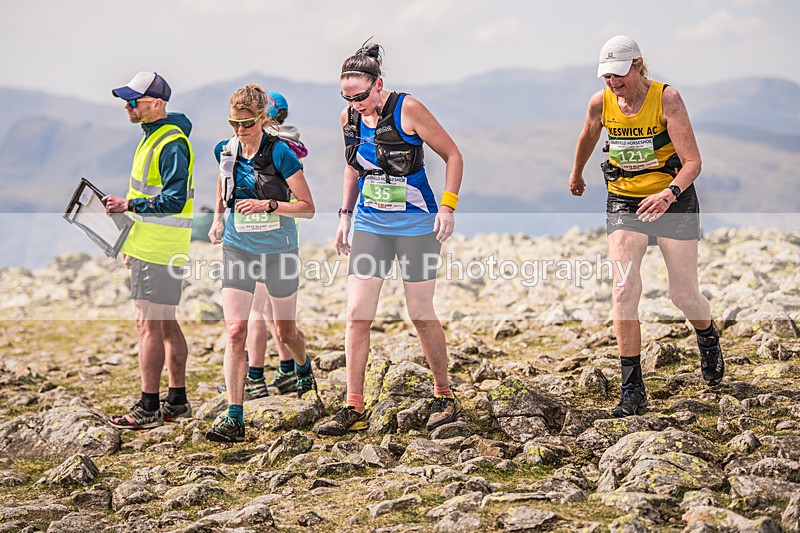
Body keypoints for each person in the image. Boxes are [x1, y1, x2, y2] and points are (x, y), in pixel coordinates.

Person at [568, 35, 724, 417]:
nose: (613, 82)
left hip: (672, 201)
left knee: (683, 295)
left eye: (619, 74)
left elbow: (693, 162)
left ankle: (707, 336)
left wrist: (669, 194)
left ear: (638, 66)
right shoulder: (600, 102)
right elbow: (588, 134)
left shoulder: (667, 99)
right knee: (623, 289)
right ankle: (632, 390)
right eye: (607, 75)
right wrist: (577, 173)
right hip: (624, 201)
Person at [316, 43, 464, 436]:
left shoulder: (408, 109)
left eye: (361, 96)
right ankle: (353, 404)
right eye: (347, 98)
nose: (355, 104)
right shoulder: (349, 117)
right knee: (357, 313)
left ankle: (444, 393)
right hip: (371, 225)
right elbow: (354, 167)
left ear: (378, 84)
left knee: (420, 312)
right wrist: (345, 216)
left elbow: (453, 155)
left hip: (416, 225)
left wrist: (447, 207)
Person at [205, 84, 317, 443]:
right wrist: (218, 219)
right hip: (238, 248)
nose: (240, 129)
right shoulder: (225, 150)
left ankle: (302, 366)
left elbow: (307, 208)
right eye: (234, 123)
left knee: (285, 332)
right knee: (235, 331)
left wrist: (268, 205)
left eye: (247, 123)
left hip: (279, 249)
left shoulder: (281, 153)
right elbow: (223, 181)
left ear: (262, 118)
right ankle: (234, 417)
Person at [102, 71, 195, 429]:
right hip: (151, 245)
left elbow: (173, 199)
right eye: (126, 101)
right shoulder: (153, 135)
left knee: (148, 325)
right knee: (165, 322)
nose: (127, 107)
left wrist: (128, 205)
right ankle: (177, 401)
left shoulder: (170, 143)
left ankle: (148, 406)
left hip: (158, 249)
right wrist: (131, 238)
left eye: (133, 101)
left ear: (156, 104)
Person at [241, 91, 310, 400]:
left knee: (257, 310)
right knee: (275, 313)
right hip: (284, 235)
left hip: (258, 237)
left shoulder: (264, 148)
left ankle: (255, 377)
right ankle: (287, 370)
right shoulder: (291, 147)